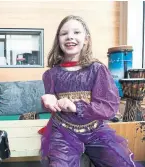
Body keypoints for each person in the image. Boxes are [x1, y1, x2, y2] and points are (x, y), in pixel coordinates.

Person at [40, 15, 142, 167]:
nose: (70, 37)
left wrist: (75, 107)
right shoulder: (51, 74)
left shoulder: (98, 70)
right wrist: (47, 100)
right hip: (62, 132)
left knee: (121, 163)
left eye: (76, 32)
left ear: (86, 39)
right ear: (58, 40)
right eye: (64, 33)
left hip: (96, 131)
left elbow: (109, 108)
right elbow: (52, 105)